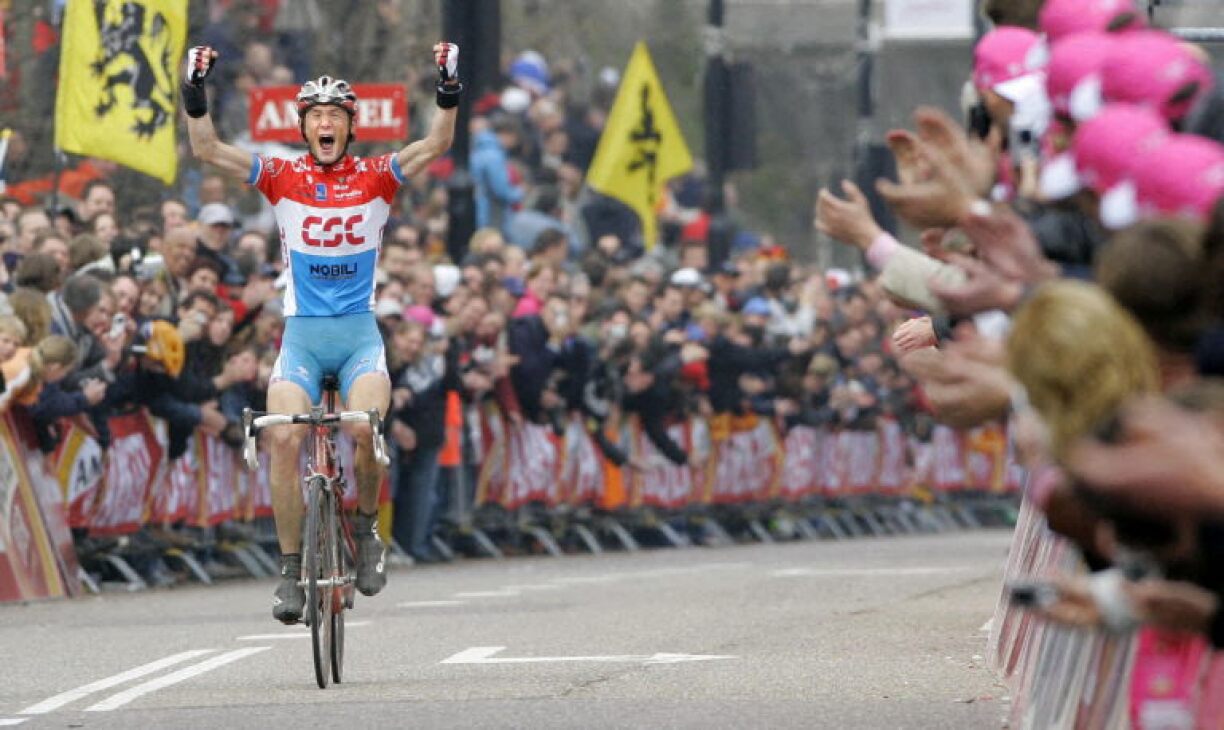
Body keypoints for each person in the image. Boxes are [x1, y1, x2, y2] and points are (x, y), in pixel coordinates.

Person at [181, 41, 462, 623]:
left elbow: (436, 143)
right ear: (304, 127)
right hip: (302, 338)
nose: (326, 123)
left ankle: (367, 530)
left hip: (358, 337)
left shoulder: (377, 175)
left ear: (350, 127)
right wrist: (194, 92)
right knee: (283, 439)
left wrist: (447, 87)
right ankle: (290, 569)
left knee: (363, 429)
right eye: (316, 116)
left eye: (336, 115)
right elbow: (207, 149)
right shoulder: (281, 175)